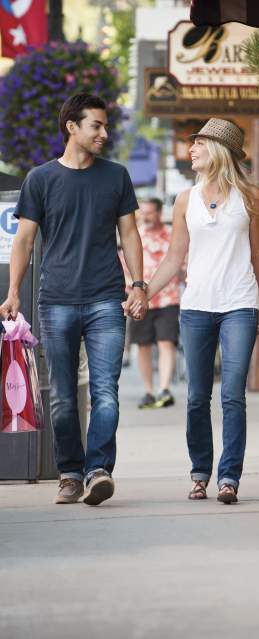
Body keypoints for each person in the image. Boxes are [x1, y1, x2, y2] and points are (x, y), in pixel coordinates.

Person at [0, 93, 148, 506]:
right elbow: (25, 240)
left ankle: (98, 470)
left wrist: (138, 285)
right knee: (63, 395)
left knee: (106, 391)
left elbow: (130, 234)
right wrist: (13, 292)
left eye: (105, 126)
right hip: (57, 300)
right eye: (96, 125)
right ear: (72, 128)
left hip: (106, 299)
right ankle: (69, 472)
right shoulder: (41, 179)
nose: (104, 132)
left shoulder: (116, 176)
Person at [134, 118, 259, 505]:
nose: (191, 149)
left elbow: (257, 257)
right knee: (195, 397)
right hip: (195, 308)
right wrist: (144, 291)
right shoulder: (183, 201)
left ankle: (229, 478)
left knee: (232, 395)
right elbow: (175, 257)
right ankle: (199, 473)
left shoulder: (250, 197)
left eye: (199, 144)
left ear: (218, 151)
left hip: (239, 304)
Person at [124, 198, 182, 409]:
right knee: (143, 344)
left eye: (150, 212)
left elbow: (182, 264)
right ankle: (149, 390)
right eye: (143, 213)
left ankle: (164, 388)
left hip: (168, 297)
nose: (146, 217)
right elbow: (123, 266)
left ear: (159, 212)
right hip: (139, 298)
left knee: (167, 342)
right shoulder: (134, 234)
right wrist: (129, 287)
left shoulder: (171, 235)